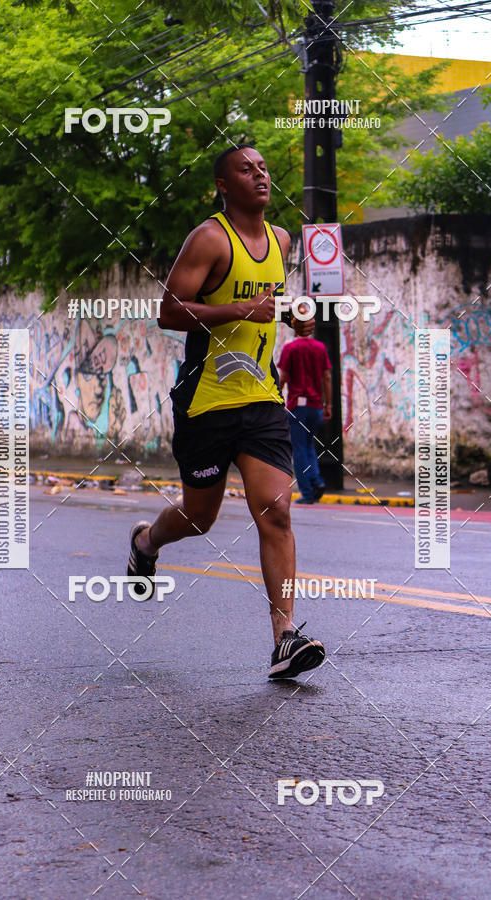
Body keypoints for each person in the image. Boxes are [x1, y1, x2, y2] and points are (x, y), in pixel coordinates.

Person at [127, 144, 325, 680]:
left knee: (276, 510)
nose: (259, 175)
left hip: (261, 397)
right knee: (199, 516)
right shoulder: (210, 238)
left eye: (263, 168)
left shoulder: (283, 240)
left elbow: (268, 307)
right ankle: (146, 542)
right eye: (246, 169)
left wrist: (293, 320)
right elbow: (170, 310)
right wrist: (241, 308)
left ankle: (284, 637)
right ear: (223, 183)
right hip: (206, 401)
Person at [278, 311, 333, 504]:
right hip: (316, 406)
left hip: (298, 406)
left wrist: (276, 400)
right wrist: (328, 404)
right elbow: (327, 377)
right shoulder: (320, 348)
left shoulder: (290, 349)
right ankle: (317, 480)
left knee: (299, 449)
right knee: (309, 445)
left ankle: (308, 492)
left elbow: (283, 377)